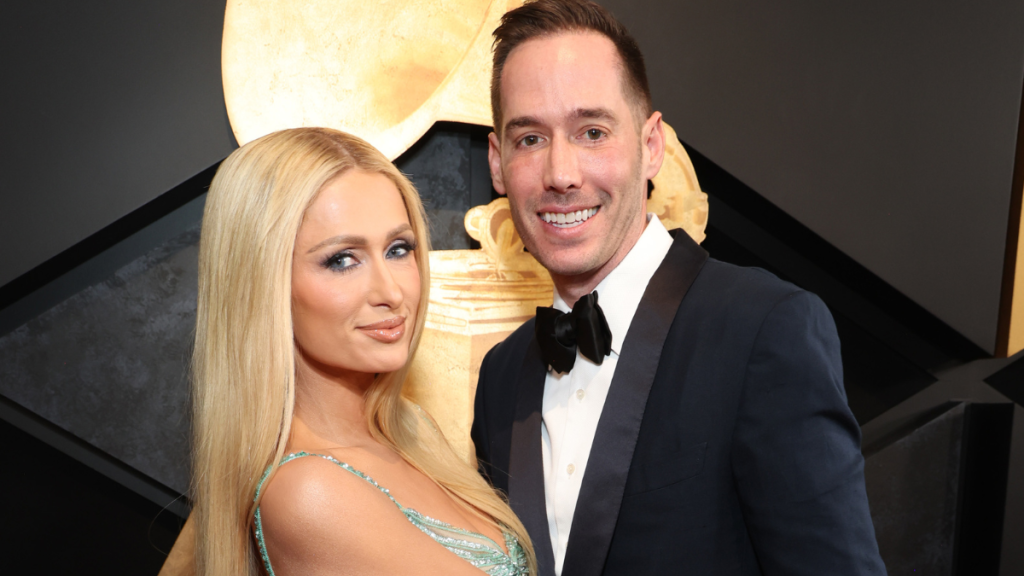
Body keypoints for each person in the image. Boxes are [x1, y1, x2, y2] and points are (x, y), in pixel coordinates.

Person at [471, 2, 887, 575]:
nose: (561, 173)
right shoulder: (500, 375)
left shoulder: (763, 329)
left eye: (592, 132)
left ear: (651, 146)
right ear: (498, 163)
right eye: (530, 139)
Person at [191, 127, 534, 575]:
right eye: (342, 260)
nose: (391, 292)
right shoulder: (310, 491)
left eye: (398, 249)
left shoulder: (414, 430)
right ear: (261, 283)